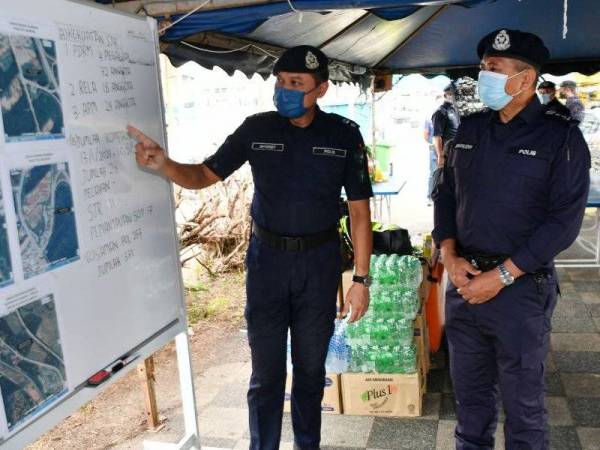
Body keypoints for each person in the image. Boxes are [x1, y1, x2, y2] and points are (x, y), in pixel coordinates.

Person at [129, 45, 374, 450]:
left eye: (296, 83)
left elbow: (360, 213)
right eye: (280, 82)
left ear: (322, 89)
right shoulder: (256, 129)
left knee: (311, 372)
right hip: (267, 264)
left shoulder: (344, 134)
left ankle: (306, 445)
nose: (285, 90)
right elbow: (205, 174)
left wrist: (361, 279)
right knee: (266, 374)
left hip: (319, 264)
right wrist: (164, 165)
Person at [433, 29, 590, 449]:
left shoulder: (561, 138)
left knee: (523, 412)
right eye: (484, 67)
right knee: (470, 407)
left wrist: (501, 276)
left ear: (525, 79)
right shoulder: (470, 128)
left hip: (520, 288)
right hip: (464, 282)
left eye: (494, 69)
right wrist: (448, 255)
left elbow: (563, 223)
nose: (484, 75)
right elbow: (446, 195)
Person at [431, 84, 461, 169]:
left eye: (455, 94)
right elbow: (437, 136)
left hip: (456, 152)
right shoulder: (440, 112)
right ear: (445, 95)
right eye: (451, 94)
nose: (454, 96)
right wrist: (440, 156)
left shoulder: (456, 110)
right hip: (446, 154)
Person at [423, 115, 436, 204]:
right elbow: (425, 134)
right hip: (433, 150)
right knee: (433, 173)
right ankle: (430, 196)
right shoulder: (428, 120)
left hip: (445, 149)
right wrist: (432, 143)